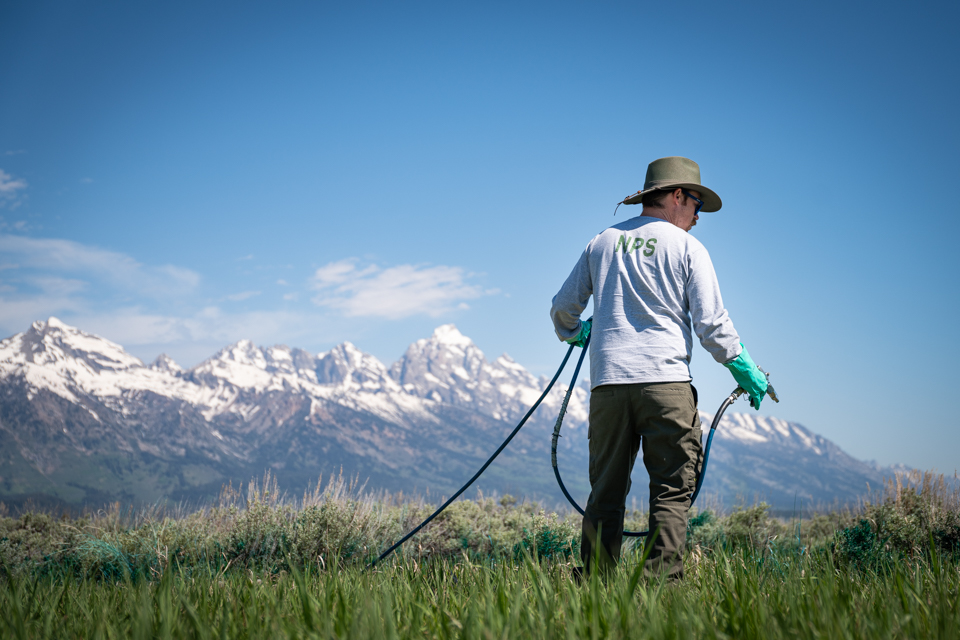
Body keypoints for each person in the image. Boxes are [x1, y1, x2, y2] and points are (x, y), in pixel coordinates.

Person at [550, 156, 769, 581]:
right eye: (696, 206)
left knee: (606, 493)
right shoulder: (687, 248)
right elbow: (711, 324)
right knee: (671, 492)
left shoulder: (602, 241)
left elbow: (562, 307)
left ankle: (595, 587)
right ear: (676, 196)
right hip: (666, 384)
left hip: (609, 386)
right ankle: (660, 596)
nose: (697, 217)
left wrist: (576, 332)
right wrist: (744, 367)